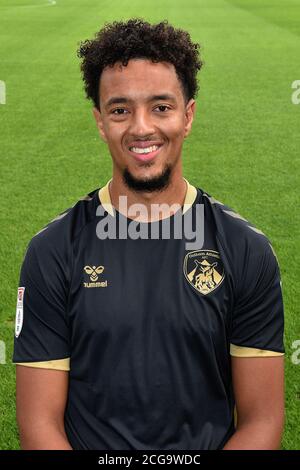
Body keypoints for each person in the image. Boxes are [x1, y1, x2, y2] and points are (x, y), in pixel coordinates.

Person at [13, 18, 285, 450]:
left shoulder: (246, 250)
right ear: (101, 121)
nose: (141, 128)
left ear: (188, 115)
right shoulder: (51, 252)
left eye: (161, 107)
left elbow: (263, 419)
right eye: (120, 110)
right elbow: (39, 425)